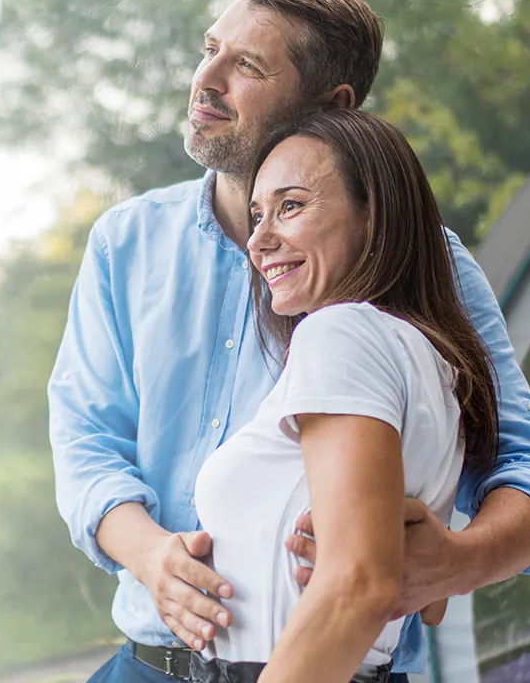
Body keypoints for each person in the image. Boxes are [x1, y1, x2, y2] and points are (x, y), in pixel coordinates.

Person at [47, 0, 530, 682]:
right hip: (147, 665)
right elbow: (85, 443)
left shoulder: (423, 264)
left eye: (247, 66)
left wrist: (457, 561)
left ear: (329, 104)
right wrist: (149, 555)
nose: (206, 80)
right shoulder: (126, 242)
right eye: (210, 49)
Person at [192, 107, 498, 681]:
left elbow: (360, 582)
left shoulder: (341, 333)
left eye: (291, 206)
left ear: (373, 214)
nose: (258, 241)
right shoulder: (426, 357)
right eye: (257, 215)